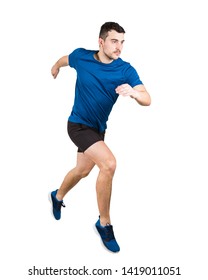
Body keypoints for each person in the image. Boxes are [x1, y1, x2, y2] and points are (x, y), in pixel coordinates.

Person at [50, 22, 151, 253]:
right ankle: (104, 223)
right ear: (101, 41)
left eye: (122, 42)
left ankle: (57, 196)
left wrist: (135, 93)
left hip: (97, 129)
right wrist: (55, 67)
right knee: (108, 164)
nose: (119, 47)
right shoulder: (82, 57)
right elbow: (64, 60)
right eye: (114, 41)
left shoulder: (124, 69)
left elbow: (148, 98)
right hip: (77, 125)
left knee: (83, 171)